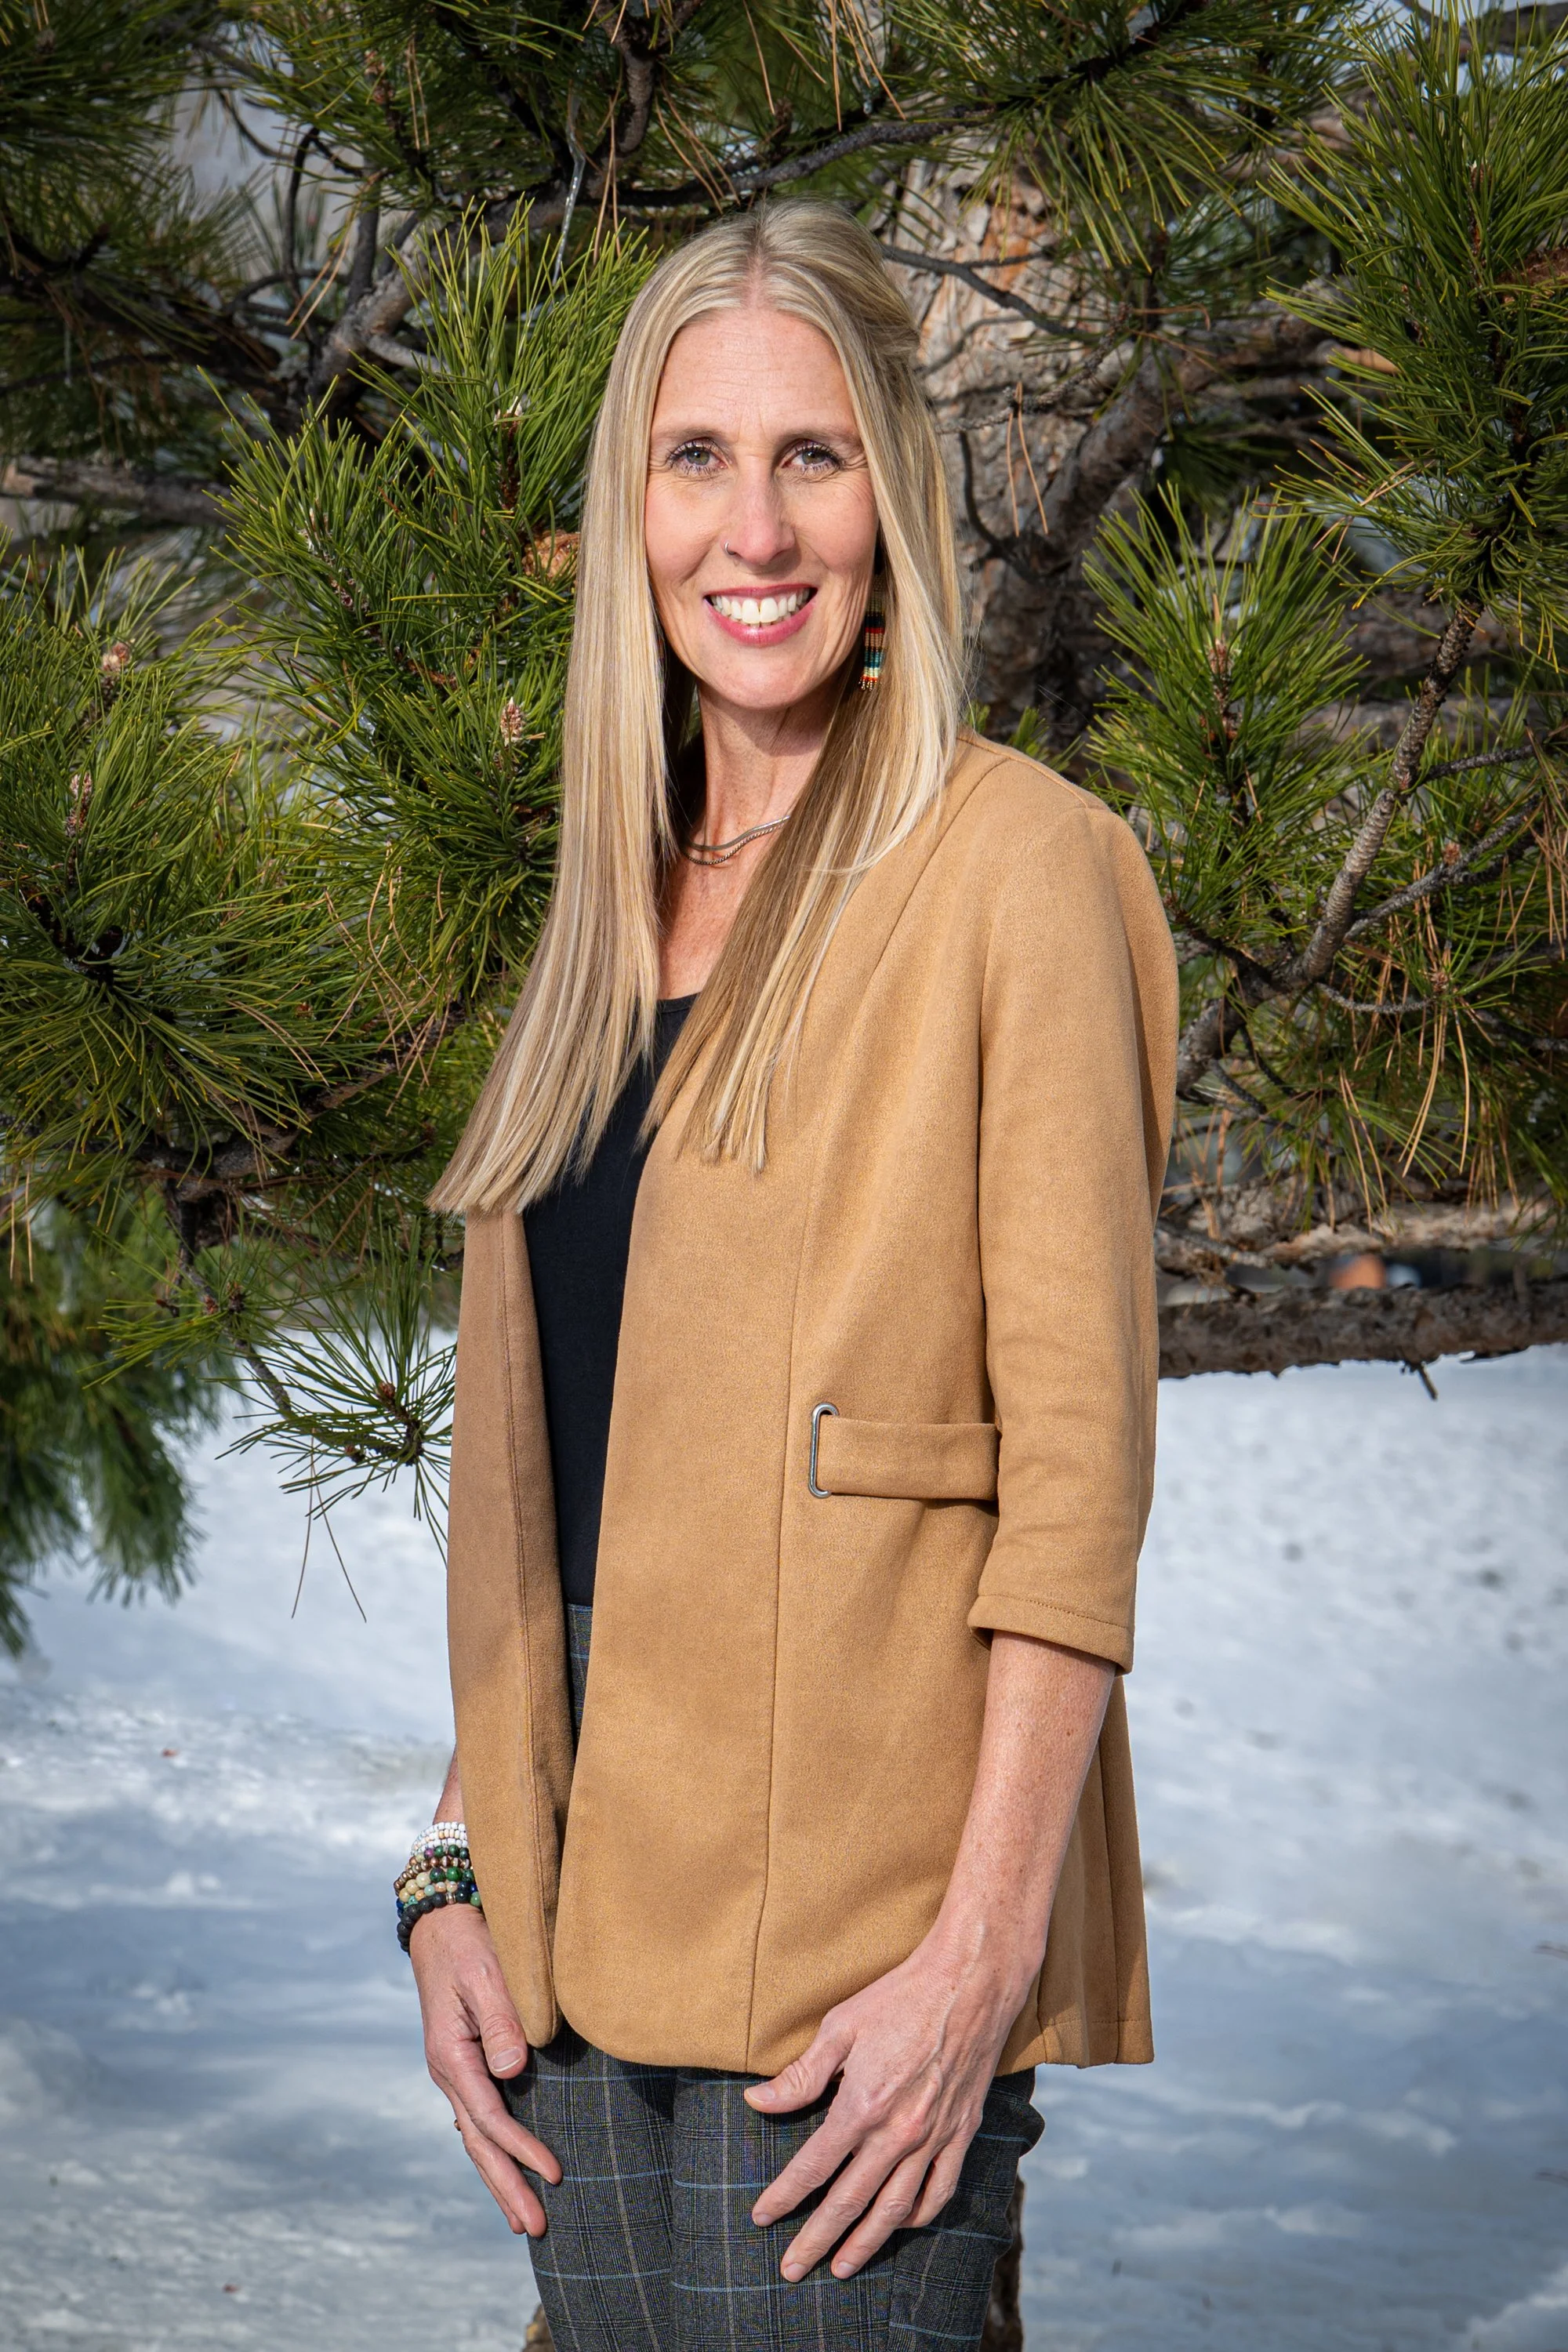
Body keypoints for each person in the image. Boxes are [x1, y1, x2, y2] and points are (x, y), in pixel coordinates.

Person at [408, 199, 1177, 2352]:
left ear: (897, 503)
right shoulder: (588, 925)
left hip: (853, 2003)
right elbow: (563, 1481)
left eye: (814, 456)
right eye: (697, 458)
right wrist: (449, 1874)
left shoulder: (1022, 871)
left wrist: (971, 1976)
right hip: (573, 1965)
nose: (755, 527)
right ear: (627, 510)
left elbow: (1076, 1482)